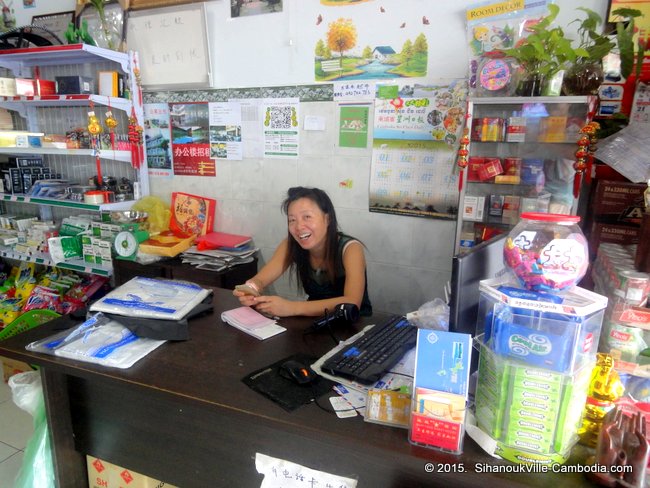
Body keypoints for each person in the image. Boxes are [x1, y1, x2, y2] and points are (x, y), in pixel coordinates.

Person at [234, 187, 372, 318]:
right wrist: (249, 288)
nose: (299, 226)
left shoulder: (351, 249)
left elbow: (352, 302)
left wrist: (291, 308)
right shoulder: (291, 244)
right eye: (292, 220)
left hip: (355, 325)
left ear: (327, 219)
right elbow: (260, 280)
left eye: (307, 217)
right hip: (314, 323)